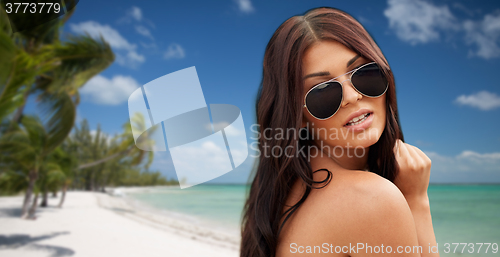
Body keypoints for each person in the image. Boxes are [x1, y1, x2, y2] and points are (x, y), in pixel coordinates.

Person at [240, 7, 439, 257]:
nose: (353, 96)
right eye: (322, 91)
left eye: (364, 74)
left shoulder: (281, 191)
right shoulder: (371, 199)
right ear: (297, 115)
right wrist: (416, 201)